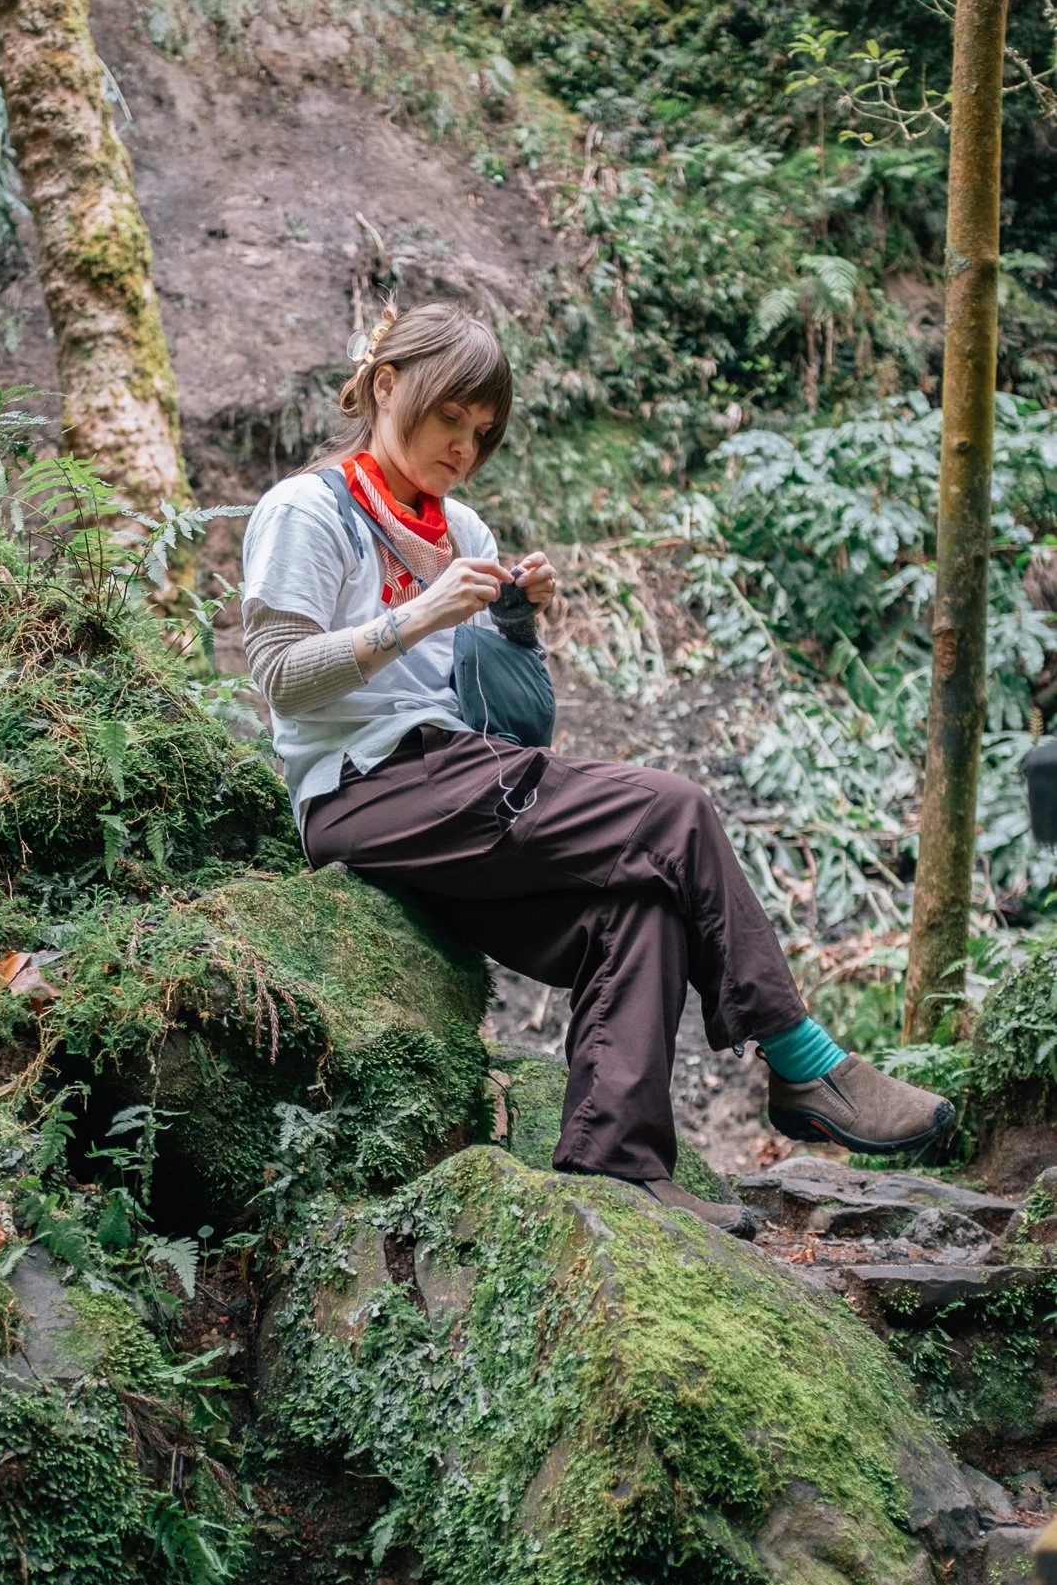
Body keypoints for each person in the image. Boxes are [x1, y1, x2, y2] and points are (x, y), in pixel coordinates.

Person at [240, 301, 954, 1235]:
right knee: (673, 813)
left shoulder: (466, 533)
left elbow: (519, 727)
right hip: (362, 793)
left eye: (482, 431)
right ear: (385, 385)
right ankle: (801, 1060)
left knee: (640, 904)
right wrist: (411, 620)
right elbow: (281, 680)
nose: (463, 445)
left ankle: (616, 1165)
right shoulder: (308, 508)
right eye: (449, 417)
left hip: (457, 780)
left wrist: (512, 622)